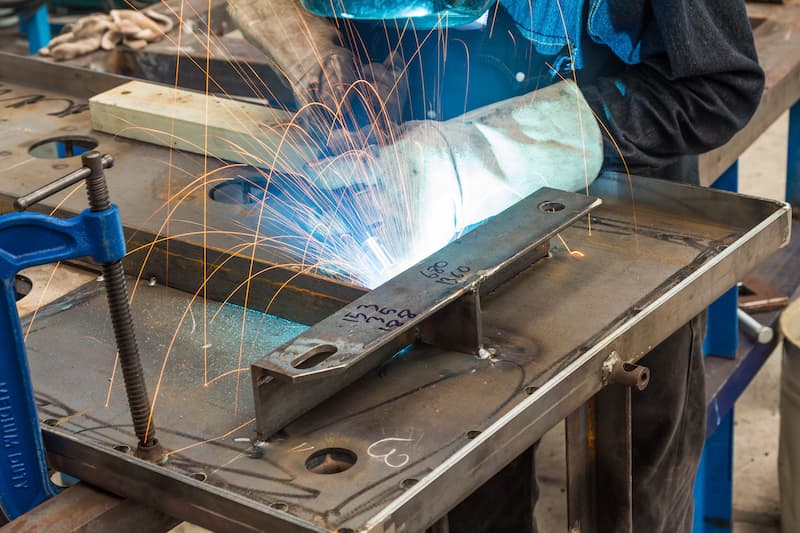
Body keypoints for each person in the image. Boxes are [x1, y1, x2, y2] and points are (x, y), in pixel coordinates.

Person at [228, 0, 764, 531]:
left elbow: (718, 88)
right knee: (473, 484)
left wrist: (481, 157)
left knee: (630, 492)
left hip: (624, 217)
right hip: (444, 221)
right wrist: (331, 66)